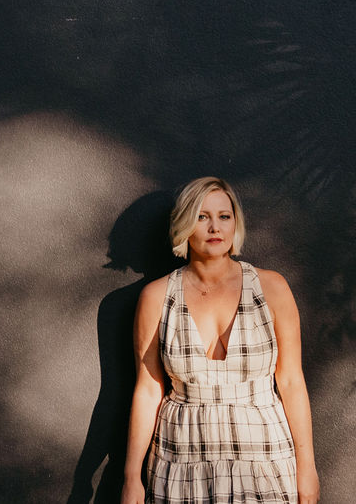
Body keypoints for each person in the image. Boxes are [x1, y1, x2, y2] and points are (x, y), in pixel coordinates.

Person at [121, 177, 320, 504]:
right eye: (202, 216)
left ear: (235, 223)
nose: (215, 226)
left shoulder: (272, 288)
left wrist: (307, 467)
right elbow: (147, 388)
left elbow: (291, 381)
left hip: (263, 455)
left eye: (224, 216)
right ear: (185, 223)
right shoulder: (156, 296)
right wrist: (132, 477)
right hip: (182, 456)